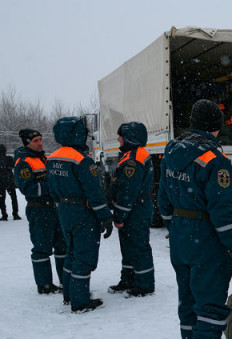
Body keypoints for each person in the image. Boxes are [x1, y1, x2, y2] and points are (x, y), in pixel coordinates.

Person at [158, 99, 232, 339]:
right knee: (209, 303)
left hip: (181, 237)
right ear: (217, 126)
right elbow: (222, 212)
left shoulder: (171, 151)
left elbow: (162, 198)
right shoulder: (215, 160)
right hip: (206, 238)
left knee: (188, 300)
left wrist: (176, 226)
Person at [47, 117, 113, 313]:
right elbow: (94, 191)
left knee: (71, 252)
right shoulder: (82, 160)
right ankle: (80, 301)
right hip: (82, 212)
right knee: (84, 256)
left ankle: (69, 294)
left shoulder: (52, 158)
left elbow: (51, 188)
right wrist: (104, 217)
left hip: (63, 210)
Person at [13, 130, 66, 294]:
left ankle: (66, 279)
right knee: (41, 247)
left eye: (40, 140)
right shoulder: (23, 162)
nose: (40, 143)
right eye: (35, 141)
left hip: (54, 208)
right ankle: (44, 284)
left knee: (61, 245)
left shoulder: (45, 158)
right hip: (38, 209)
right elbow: (27, 188)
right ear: (27, 143)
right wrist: (51, 187)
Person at [108, 122, 155, 297]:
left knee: (138, 246)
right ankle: (128, 279)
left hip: (136, 210)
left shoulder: (133, 159)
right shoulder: (131, 155)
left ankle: (144, 284)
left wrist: (119, 216)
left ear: (130, 138)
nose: (118, 139)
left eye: (121, 136)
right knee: (128, 246)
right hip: (135, 208)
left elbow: (128, 192)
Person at [0, 144, 21, 220]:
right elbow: (14, 166)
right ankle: (15, 214)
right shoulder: (9, 158)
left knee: (2, 199)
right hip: (10, 180)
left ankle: (4, 215)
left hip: (1, 182)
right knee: (14, 198)